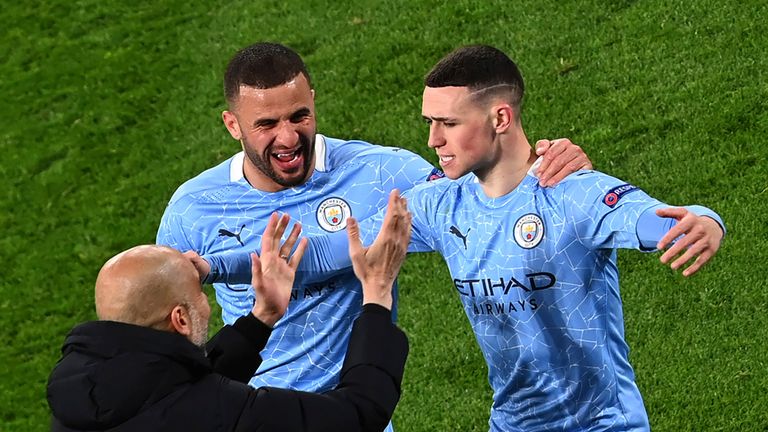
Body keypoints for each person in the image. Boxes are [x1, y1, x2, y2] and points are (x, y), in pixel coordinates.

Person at [209, 45, 726, 430]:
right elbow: (331, 248)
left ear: (500, 117)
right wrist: (212, 266)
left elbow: (651, 217)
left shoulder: (569, 192)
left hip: (602, 423)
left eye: (448, 123)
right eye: (429, 122)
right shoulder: (439, 203)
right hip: (511, 424)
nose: (432, 140)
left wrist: (704, 220)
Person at [155, 40, 592, 421]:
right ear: (233, 125)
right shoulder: (194, 208)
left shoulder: (383, 172)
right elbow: (155, 332)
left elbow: (483, 201)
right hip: (259, 415)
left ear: (314, 102)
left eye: (299, 116)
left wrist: (555, 169)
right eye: (266, 125)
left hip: (357, 413)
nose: (288, 138)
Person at [47, 191, 414, 431]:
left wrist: (261, 318)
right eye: (200, 294)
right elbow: (359, 414)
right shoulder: (219, 412)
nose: (208, 302)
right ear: (180, 318)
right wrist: (378, 294)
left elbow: (167, 388)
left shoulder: (81, 389)